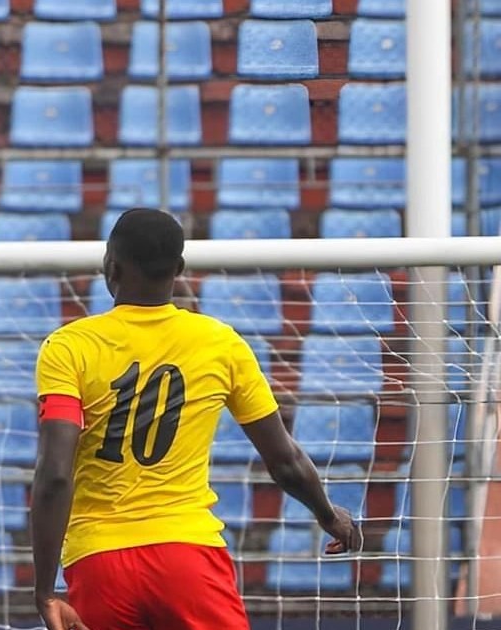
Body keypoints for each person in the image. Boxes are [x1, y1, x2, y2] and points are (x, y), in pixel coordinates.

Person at [30, 208, 363, 630]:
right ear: (180, 269)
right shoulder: (220, 344)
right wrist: (327, 514)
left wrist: (44, 590)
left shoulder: (68, 348)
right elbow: (284, 461)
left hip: (99, 559)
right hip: (188, 556)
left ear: (109, 266)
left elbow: (55, 474)